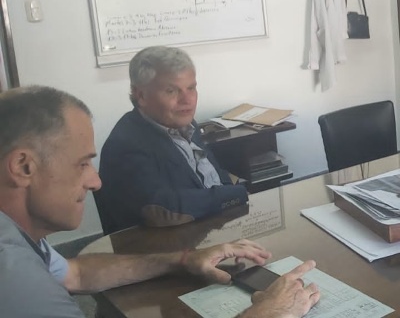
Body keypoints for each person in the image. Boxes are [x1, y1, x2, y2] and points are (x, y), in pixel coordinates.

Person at [0, 85, 320, 318]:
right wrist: (269, 313)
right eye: (82, 164)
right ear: (24, 167)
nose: (95, 181)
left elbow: (76, 273)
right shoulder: (15, 279)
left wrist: (182, 260)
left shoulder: (17, 235)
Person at [97, 46, 249, 234]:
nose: (187, 100)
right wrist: (237, 193)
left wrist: (233, 194)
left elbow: (213, 176)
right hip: (160, 246)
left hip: (208, 231)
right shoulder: (125, 144)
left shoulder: (184, 123)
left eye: (191, 88)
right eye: (171, 91)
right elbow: (164, 209)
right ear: (141, 95)